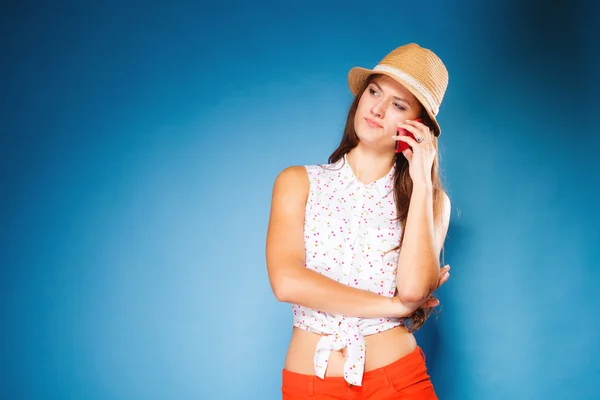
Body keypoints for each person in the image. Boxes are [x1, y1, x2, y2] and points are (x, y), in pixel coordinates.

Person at [266, 43, 452, 399]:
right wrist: (394, 306)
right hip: (311, 387)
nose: (378, 109)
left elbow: (413, 291)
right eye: (374, 91)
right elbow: (287, 282)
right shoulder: (298, 182)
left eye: (398, 105)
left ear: (419, 127)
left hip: (399, 381)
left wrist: (423, 179)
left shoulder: (430, 202)